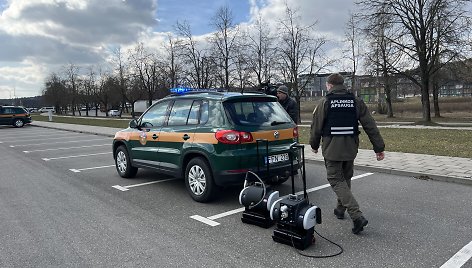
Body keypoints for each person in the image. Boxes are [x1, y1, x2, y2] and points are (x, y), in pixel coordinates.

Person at [309, 73, 385, 235]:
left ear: (329, 85)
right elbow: (370, 125)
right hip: (351, 148)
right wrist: (378, 147)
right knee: (345, 177)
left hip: (332, 149)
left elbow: (316, 127)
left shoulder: (325, 102)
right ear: (343, 85)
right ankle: (339, 209)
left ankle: (356, 215)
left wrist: (314, 145)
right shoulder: (356, 101)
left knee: (335, 179)